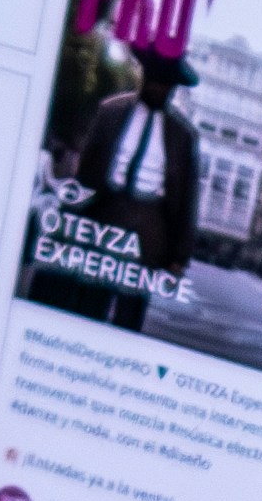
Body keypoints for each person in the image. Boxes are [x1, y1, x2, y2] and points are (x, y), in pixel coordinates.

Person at [25, 41, 201, 321]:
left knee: (130, 311)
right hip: (105, 213)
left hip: (150, 226)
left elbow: (188, 197)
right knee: (91, 300)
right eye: (156, 80)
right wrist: (71, 218)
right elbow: (86, 168)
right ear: (144, 76)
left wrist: (180, 255)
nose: (160, 89)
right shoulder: (112, 112)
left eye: (167, 84)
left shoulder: (182, 135)